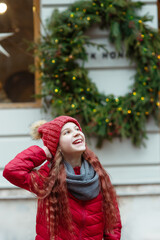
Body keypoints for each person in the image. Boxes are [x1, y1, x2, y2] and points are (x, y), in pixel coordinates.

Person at [3, 115, 122, 240]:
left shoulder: (98, 173)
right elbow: (12, 170)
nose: (76, 133)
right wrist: (43, 152)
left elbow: (112, 221)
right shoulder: (48, 177)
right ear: (56, 144)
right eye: (67, 132)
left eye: (77, 129)